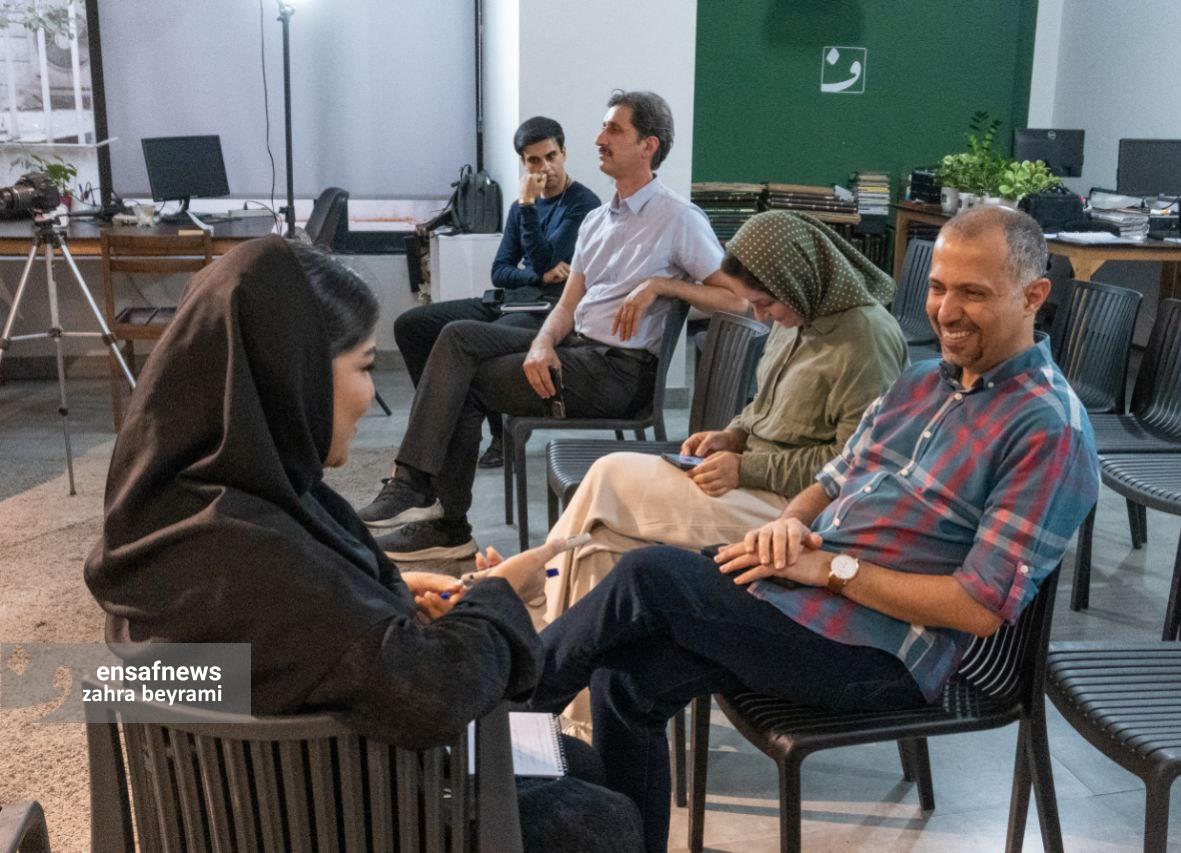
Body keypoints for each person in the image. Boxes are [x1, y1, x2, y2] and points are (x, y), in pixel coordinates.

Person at [526, 206, 1101, 852]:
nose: (947, 310)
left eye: (973, 292)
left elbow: (979, 608)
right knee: (625, 680)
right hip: (807, 598)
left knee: (647, 575)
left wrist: (830, 568)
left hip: (882, 653)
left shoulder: (1048, 428)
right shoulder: (923, 382)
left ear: (1033, 296)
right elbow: (832, 478)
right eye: (939, 287)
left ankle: (495, 710)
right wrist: (789, 524)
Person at [83, 237, 643, 852]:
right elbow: (432, 694)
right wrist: (501, 596)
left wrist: (387, 591)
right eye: (365, 366)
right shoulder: (267, 565)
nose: (370, 398)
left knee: (574, 764)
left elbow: (295, 636)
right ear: (293, 376)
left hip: (234, 814)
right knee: (605, 818)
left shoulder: (170, 513)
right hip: (335, 820)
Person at [358, 90, 748, 562]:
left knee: (464, 383)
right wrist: (543, 342)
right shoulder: (598, 220)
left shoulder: (678, 218)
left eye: (614, 129)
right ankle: (417, 489)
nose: (599, 138)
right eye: (603, 127)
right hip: (577, 348)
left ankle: (444, 519)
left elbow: (738, 298)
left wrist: (662, 285)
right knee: (455, 336)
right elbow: (566, 305)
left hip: (619, 373)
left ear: (648, 146)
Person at [540, 210, 907, 624]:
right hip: (754, 482)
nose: (761, 317)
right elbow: (764, 406)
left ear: (798, 279)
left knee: (609, 477)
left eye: (765, 303)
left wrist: (745, 468)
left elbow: (853, 467)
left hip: (797, 513)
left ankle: (535, 611)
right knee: (600, 544)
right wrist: (732, 435)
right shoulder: (799, 311)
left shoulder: (865, 338)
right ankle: (560, 645)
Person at [389, 116, 601, 480]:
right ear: (523, 163)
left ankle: (499, 435)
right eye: (534, 160)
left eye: (551, 156)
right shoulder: (521, 206)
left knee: (473, 339)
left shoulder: (582, 204)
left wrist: (529, 210)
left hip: (548, 310)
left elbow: (546, 259)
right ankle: (445, 417)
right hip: (509, 299)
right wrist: (535, 275)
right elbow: (500, 270)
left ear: (564, 153)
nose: (544, 168)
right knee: (411, 325)